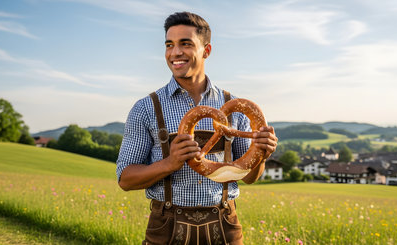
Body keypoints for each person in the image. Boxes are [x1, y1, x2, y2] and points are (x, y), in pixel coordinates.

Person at [116, 11, 278, 245]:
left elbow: (250, 177)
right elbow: (125, 179)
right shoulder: (146, 108)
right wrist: (169, 163)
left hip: (225, 225)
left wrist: (262, 155)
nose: (175, 53)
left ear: (207, 50)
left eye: (186, 44)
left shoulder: (234, 105)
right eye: (169, 45)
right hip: (166, 226)